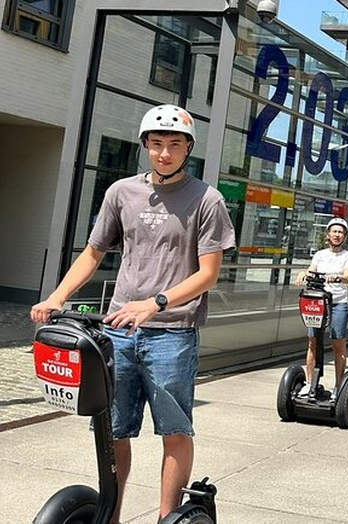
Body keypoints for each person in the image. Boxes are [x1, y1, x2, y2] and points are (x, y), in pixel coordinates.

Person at [30, 104, 236, 523]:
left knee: (174, 430)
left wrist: (157, 302)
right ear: (145, 146)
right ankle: (112, 515)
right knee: (113, 430)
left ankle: (166, 517)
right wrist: (56, 296)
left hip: (172, 333)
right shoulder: (121, 193)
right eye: (156, 144)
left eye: (174, 144)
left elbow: (209, 275)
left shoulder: (207, 199)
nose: (164, 153)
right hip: (119, 331)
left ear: (187, 148)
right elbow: (92, 253)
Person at [295, 217, 348, 398]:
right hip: (318, 303)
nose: (337, 235)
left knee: (338, 344)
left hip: (337, 304)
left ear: (344, 236)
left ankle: (338, 386)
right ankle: (309, 383)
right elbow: (311, 270)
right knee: (313, 342)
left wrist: (336, 277)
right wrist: (302, 273)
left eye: (340, 232)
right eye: (334, 231)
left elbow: (347, 276)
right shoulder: (320, 254)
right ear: (328, 234)